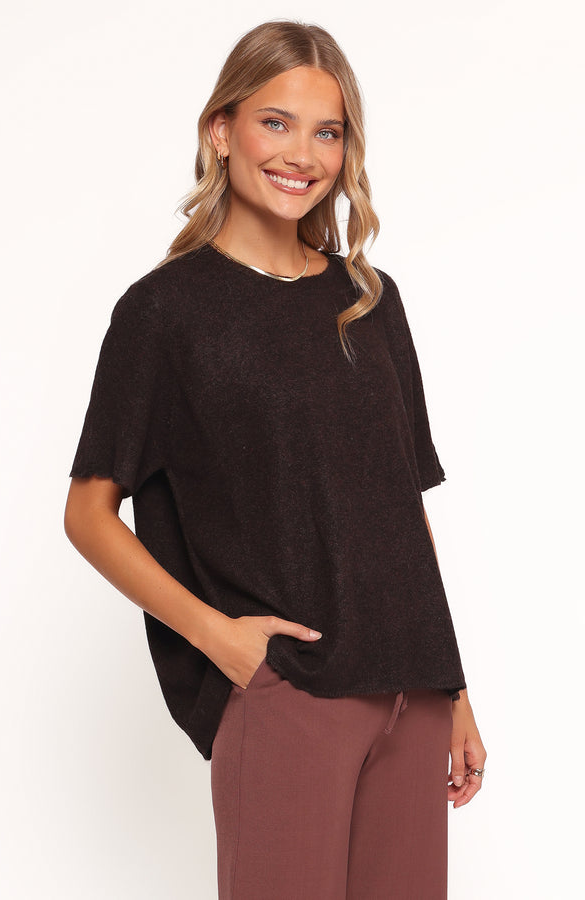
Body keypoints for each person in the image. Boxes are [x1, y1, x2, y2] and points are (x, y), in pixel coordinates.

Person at [64, 19, 486, 900]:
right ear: (221, 131)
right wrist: (218, 638)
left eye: (327, 131)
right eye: (275, 123)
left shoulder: (370, 300)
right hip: (289, 693)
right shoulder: (164, 314)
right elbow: (88, 514)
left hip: (412, 693)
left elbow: (401, 509)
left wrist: (452, 687)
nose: (303, 154)